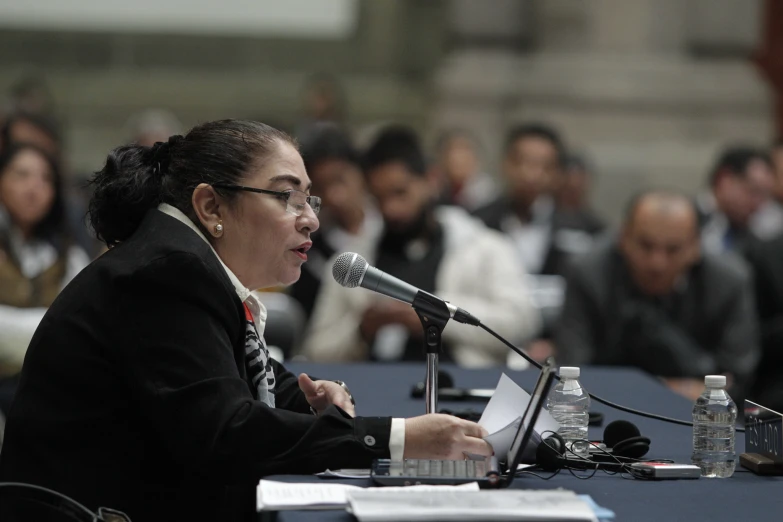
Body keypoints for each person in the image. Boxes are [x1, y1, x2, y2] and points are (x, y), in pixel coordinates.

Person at [0, 120, 492, 522]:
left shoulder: (183, 260)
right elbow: (227, 431)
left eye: (309, 199)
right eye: (287, 197)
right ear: (211, 205)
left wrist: (306, 396)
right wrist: (397, 439)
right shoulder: (164, 272)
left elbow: (225, 369)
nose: (311, 220)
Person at [302, 126, 540, 366]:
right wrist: (362, 329)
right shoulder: (354, 261)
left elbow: (519, 324)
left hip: (460, 386)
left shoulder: (484, 248)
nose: (390, 209)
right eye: (379, 198)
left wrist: (437, 313)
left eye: (400, 193)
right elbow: (316, 352)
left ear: (431, 180)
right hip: (371, 389)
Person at [554, 190, 759, 401]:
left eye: (673, 249)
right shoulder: (588, 274)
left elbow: (736, 379)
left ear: (695, 247)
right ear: (623, 238)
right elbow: (573, 373)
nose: (657, 263)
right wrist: (672, 388)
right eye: (646, 245)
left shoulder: (729, 282)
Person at [0, 144, 89, 414]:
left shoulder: (66, 253)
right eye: (22, 175)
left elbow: (83, 327)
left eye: (45, 179)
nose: (34, 187)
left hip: (44, 393)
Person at [473, 123, 604, 278]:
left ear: (557, 172)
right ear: (505, 164)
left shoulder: (584, 228)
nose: (531, 175)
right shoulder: (477, 222)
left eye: (543, 166)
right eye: (522, 162)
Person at [289, 124, 381, 319]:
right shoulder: (310, 253)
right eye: (322, 187)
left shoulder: (392, 229)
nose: (334, 196)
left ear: (360, 173)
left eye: (340, 180)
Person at [696, 146, 775, 256]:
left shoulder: (755, 240)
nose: (758, 205)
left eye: (765, 196)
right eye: (754, 191)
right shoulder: (687, 220)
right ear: (724, 179)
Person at [433, 128, 498, 211]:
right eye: (449, 151)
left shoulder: (488, 198)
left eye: (463, 150)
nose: (455, 157)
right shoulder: (440, 194)